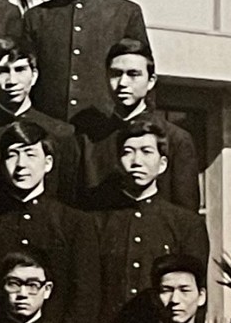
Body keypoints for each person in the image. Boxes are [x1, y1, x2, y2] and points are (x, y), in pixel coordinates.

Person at [89, 119, 210, 323]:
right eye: (128, 152)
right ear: (118, 162)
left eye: (146, 152)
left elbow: (194, 293)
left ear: (162, 164)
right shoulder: (96, 222)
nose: (137, 161)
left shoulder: (186, 224)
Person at [0, 119, 100, 323]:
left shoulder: (74, 222)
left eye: (30, 154)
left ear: (48, 163)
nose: (21, 164)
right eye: (12, 155)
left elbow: (86, 296)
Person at [0, 37, 79, 205]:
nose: (12, 81)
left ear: (34, 75)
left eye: (20, 70)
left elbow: (67, 199)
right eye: (2, 71)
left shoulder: (61, 134)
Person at [75, 39, 199, 209]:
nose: (123, 83)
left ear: (151, 81)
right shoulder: (89, 139)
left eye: (133, 74)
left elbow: (186, 214)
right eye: (116, 74)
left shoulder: (177, 139)